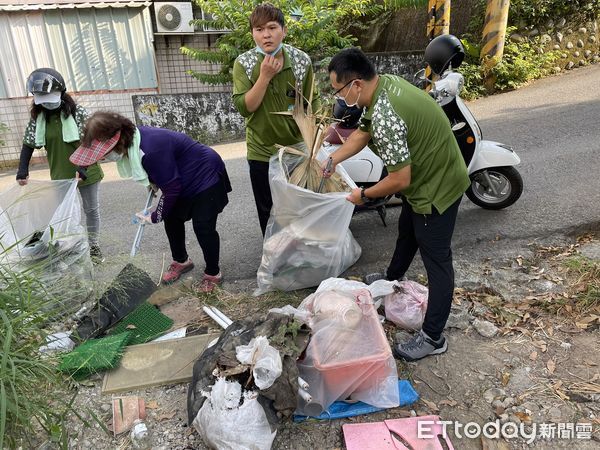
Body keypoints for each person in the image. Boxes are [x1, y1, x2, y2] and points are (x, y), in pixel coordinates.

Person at [324, 48, 470, 361]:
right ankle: (392, 279)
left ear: (356, 85)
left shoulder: (387, 115)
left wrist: (362, 196)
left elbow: (399, 180)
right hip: (428, 177)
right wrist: (331, 159)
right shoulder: (383, 86)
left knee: (437, 260)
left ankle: (433, 336)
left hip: (436, 187)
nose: (338, 96)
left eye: (338, 89)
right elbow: (362, 134)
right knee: (407, 231)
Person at [69, 111, 231, 292]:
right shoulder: (132, 139)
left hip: (204, 174)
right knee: (172, 220)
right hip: (178, 175)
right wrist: (82, 170)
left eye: (105, 153)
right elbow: (166, 178)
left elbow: (172, 188)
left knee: (203, 226)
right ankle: (181, 261)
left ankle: (212, 273)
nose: (104, 157)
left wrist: (155, 215)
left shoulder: (150, 149)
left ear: (118, 140)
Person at [232, 3, 317, 236]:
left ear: (284, 30)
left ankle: (302, 254)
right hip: (262, 151)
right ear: (252, 33)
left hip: (297, 151)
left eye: (272, 27)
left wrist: (316, 140)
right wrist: (265, 76)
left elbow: (312, 103)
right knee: (268, 211)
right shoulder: (245, 64)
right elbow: (245, 108)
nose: (266, 35)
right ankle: (276, 259)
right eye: (259, 29)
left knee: (300, 207)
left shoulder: (301, 61)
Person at [17, 68, 104, 262]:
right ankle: (72, 248)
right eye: (42, 99)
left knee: (91, 210)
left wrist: (83, 167)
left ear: (60, 92)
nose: (46, 103)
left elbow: (93, 141)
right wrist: (22, 169)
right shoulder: (39, 118)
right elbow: (28, 143)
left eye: (48, 98)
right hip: (60, 174)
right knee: (65, 215)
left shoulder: (78, 112)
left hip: (87, 170)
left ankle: (94, 246)